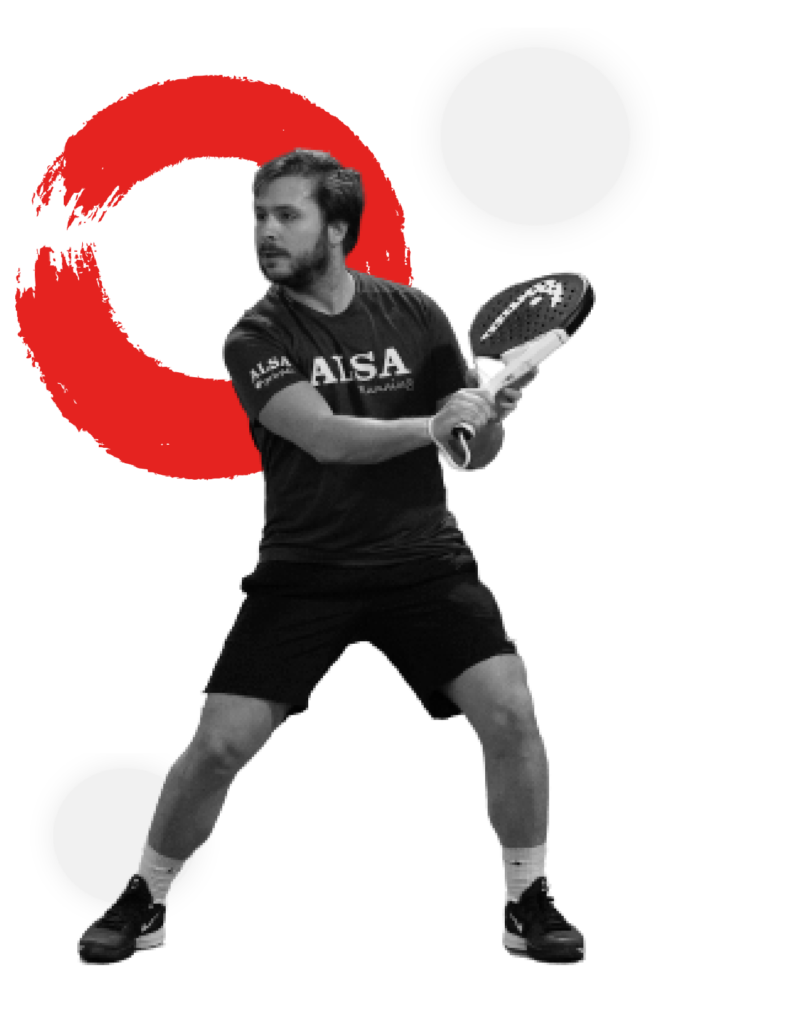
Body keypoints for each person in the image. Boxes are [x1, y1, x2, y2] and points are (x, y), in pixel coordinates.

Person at [76, 149, 586, 965]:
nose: (266, 233)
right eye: (259, 216)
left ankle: (526, 899)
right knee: (220, 743)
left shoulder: (415, 313)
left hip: (425, 561)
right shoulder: (255, 333)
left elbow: (474, 456)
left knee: (511, 710)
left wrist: (486, 417)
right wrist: (436, 423)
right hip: (304, 568)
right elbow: (321, 436)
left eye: (287, 215)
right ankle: (147, 897)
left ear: (338, 228)